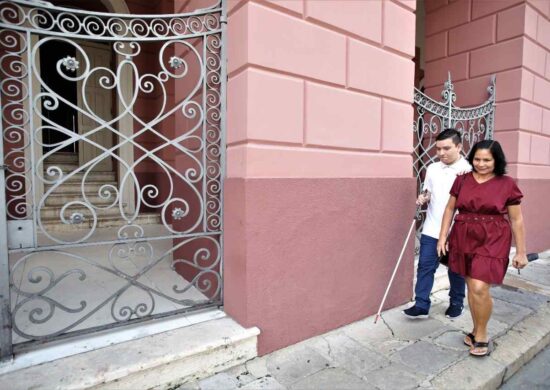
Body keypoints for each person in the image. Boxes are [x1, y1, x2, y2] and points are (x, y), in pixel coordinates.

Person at [437, 140, 528, 357]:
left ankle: (483, 335)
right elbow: (450, 209)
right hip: (463, 235)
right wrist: (442, 237)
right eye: (477, 159)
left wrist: (522, 251)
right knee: (472, 285)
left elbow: (517, 220)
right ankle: (475, 330)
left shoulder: (507, 184)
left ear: (497, 160)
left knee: (479, 287)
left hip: (493, 237)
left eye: (487, 159)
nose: (481, 163)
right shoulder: (462, 180)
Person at [403, 128, 470, 319]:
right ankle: (421, 304)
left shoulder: (469, 171)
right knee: (425, 266)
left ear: (459, 147)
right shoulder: (432, 168)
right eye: (438, 149)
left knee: (456, 270)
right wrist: (423, 198)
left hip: (457, 231)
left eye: (446, 148)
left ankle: (456, 302)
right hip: (432, 228)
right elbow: (428, 192)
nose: (441, 153)